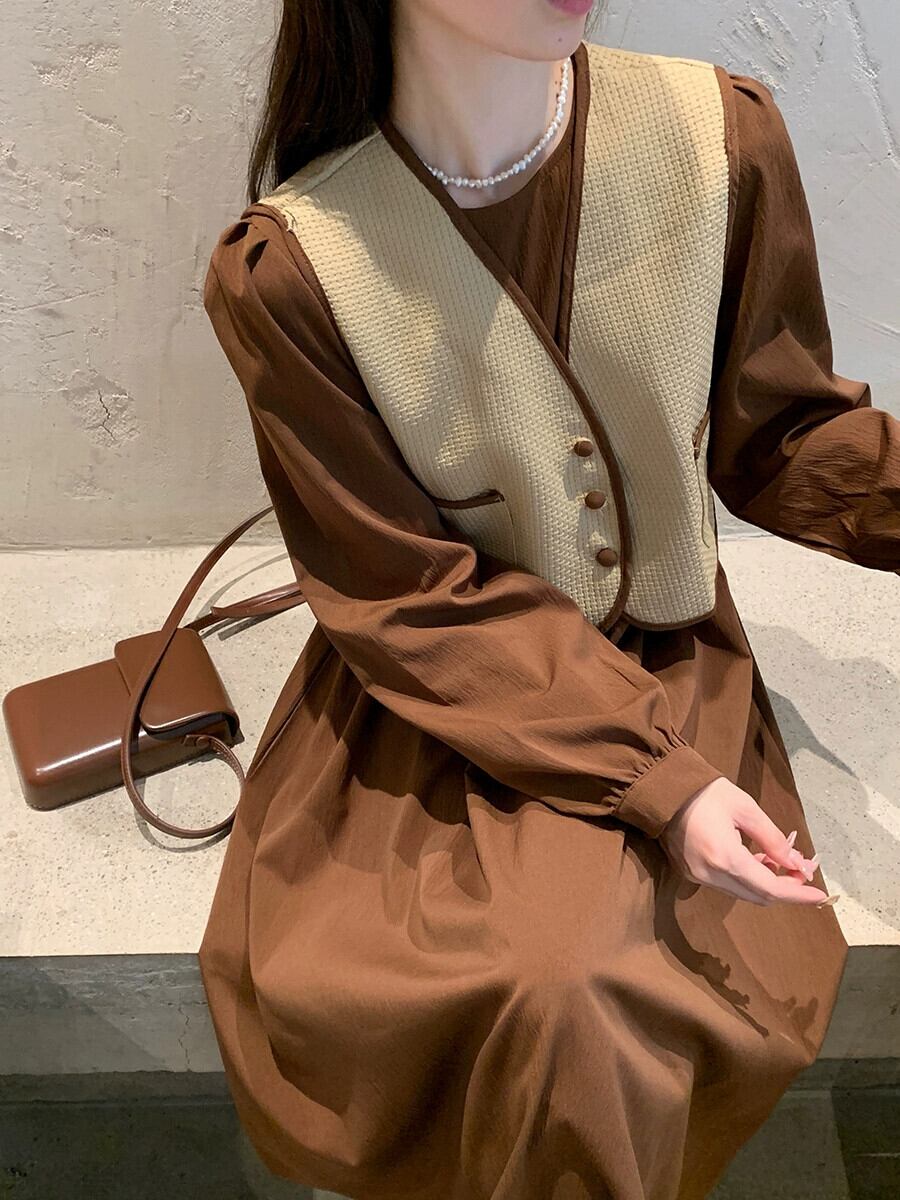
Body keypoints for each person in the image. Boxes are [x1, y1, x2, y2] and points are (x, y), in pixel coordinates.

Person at [198, 2, 899, 1197]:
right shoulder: (293, 269)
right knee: (548, 988)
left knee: (581, 990)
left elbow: (778, 436)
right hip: (443, 679)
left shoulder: (719, 140)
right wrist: (667, 784)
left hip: (668, 652)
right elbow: (405, 592)